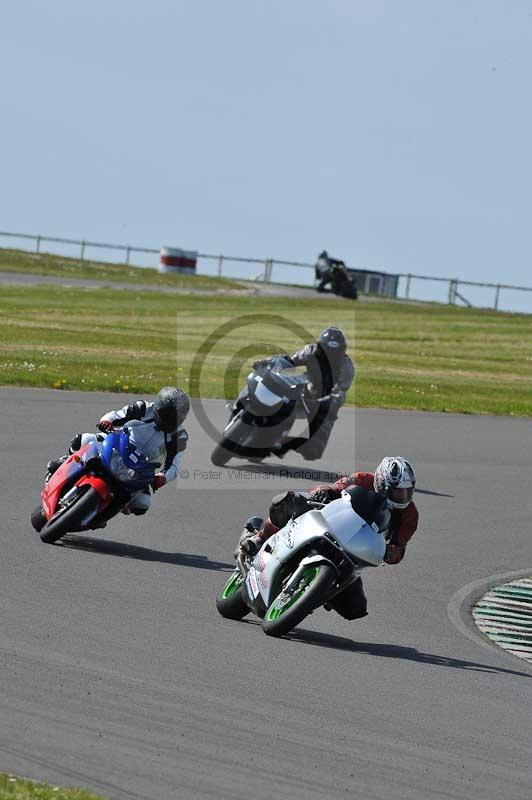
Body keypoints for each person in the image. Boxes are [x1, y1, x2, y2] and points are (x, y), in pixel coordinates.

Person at [238, 456, 418, 621]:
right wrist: (322, 492)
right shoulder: (362, 479)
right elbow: (333, 487)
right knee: (290, 502)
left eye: (407, 491)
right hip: (329, 523)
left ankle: (315, 593)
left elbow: (400, 546)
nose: (403, 497)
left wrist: (391, 553)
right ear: (382, 483)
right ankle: (260, 538)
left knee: (355, 608)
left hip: (353, 552)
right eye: (398, 492)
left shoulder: (410, 515)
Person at [46, 386, 190, 517]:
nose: (168, 419)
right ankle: (65, 459)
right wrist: (107, 421)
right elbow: (117, 415)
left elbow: (175, 465)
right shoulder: (143, 408)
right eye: (166, 413)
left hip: (140, 466)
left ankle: (108, 510)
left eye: (174, 416)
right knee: (83, 439)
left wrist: (163, 477)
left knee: (143, 503)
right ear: (158, 407)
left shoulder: (179, 436)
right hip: (119, 443)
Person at [253, 326, 355, 460]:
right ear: (320, 347)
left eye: (334, 352)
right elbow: (289, 360)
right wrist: (267, 361)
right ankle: (260, 424)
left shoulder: (346, 367)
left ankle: (283, 444)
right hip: (307, 391)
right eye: (326, 351)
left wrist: (331, 399)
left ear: (342, 351)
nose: (329, 356)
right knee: (283, 401)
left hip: (326, 403)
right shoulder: (310, 352)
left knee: (313, 452)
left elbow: (341, 390)